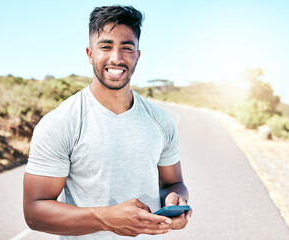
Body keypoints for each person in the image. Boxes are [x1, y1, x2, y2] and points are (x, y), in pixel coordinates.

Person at [23, 5, 192, 240]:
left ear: (137, 56)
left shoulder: (161, 121)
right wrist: (106, 219)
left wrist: (176, 198)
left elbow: (175, 183)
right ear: (90, 54)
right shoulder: (60, 123)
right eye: (106, 46)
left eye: (127, 48)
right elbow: (34, 212)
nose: (116, 58)